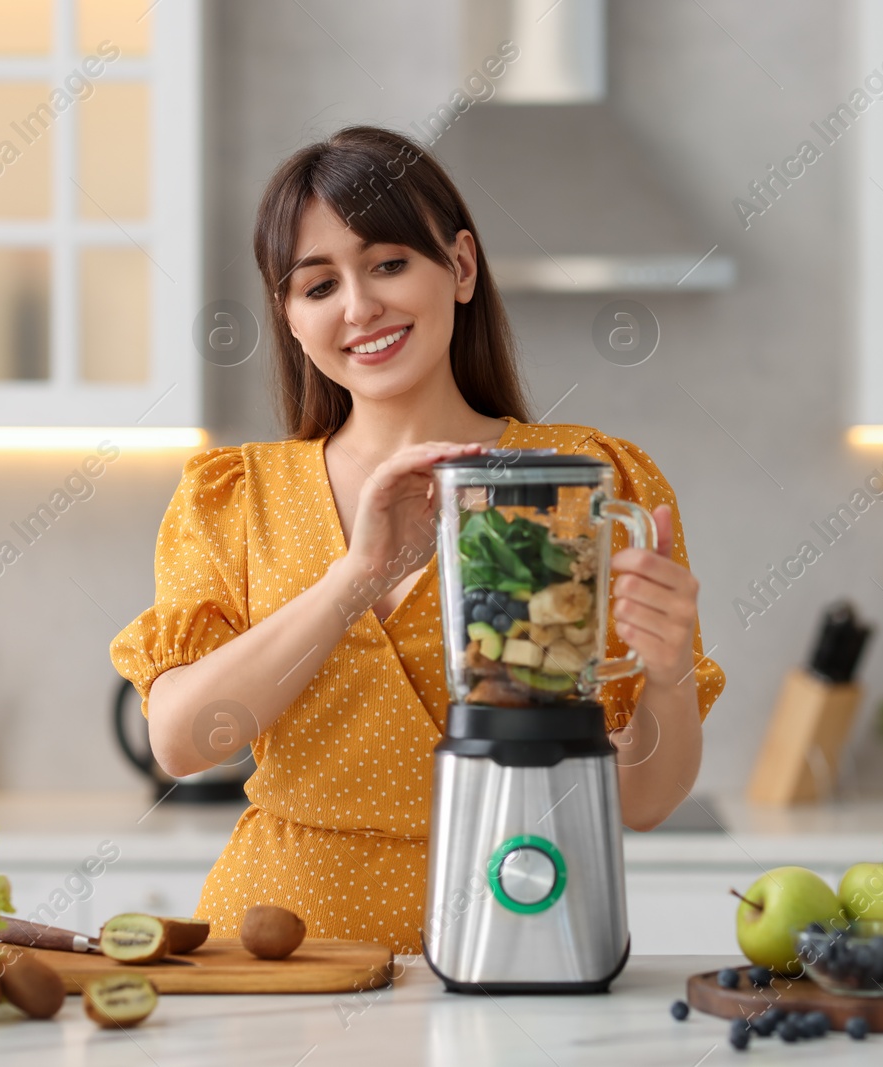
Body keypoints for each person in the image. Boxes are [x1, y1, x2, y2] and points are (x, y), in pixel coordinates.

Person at [111, 125, 724, 954]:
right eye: (317, 284)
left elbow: (643, 800)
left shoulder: (585, 482)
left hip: (521, 940)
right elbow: (185, 743)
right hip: (281, 960)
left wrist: (669, 668)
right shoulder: (236, 495)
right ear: (290, 318)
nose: (359, 306)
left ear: (462, 267)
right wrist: (358, 576)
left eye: (389, 263)